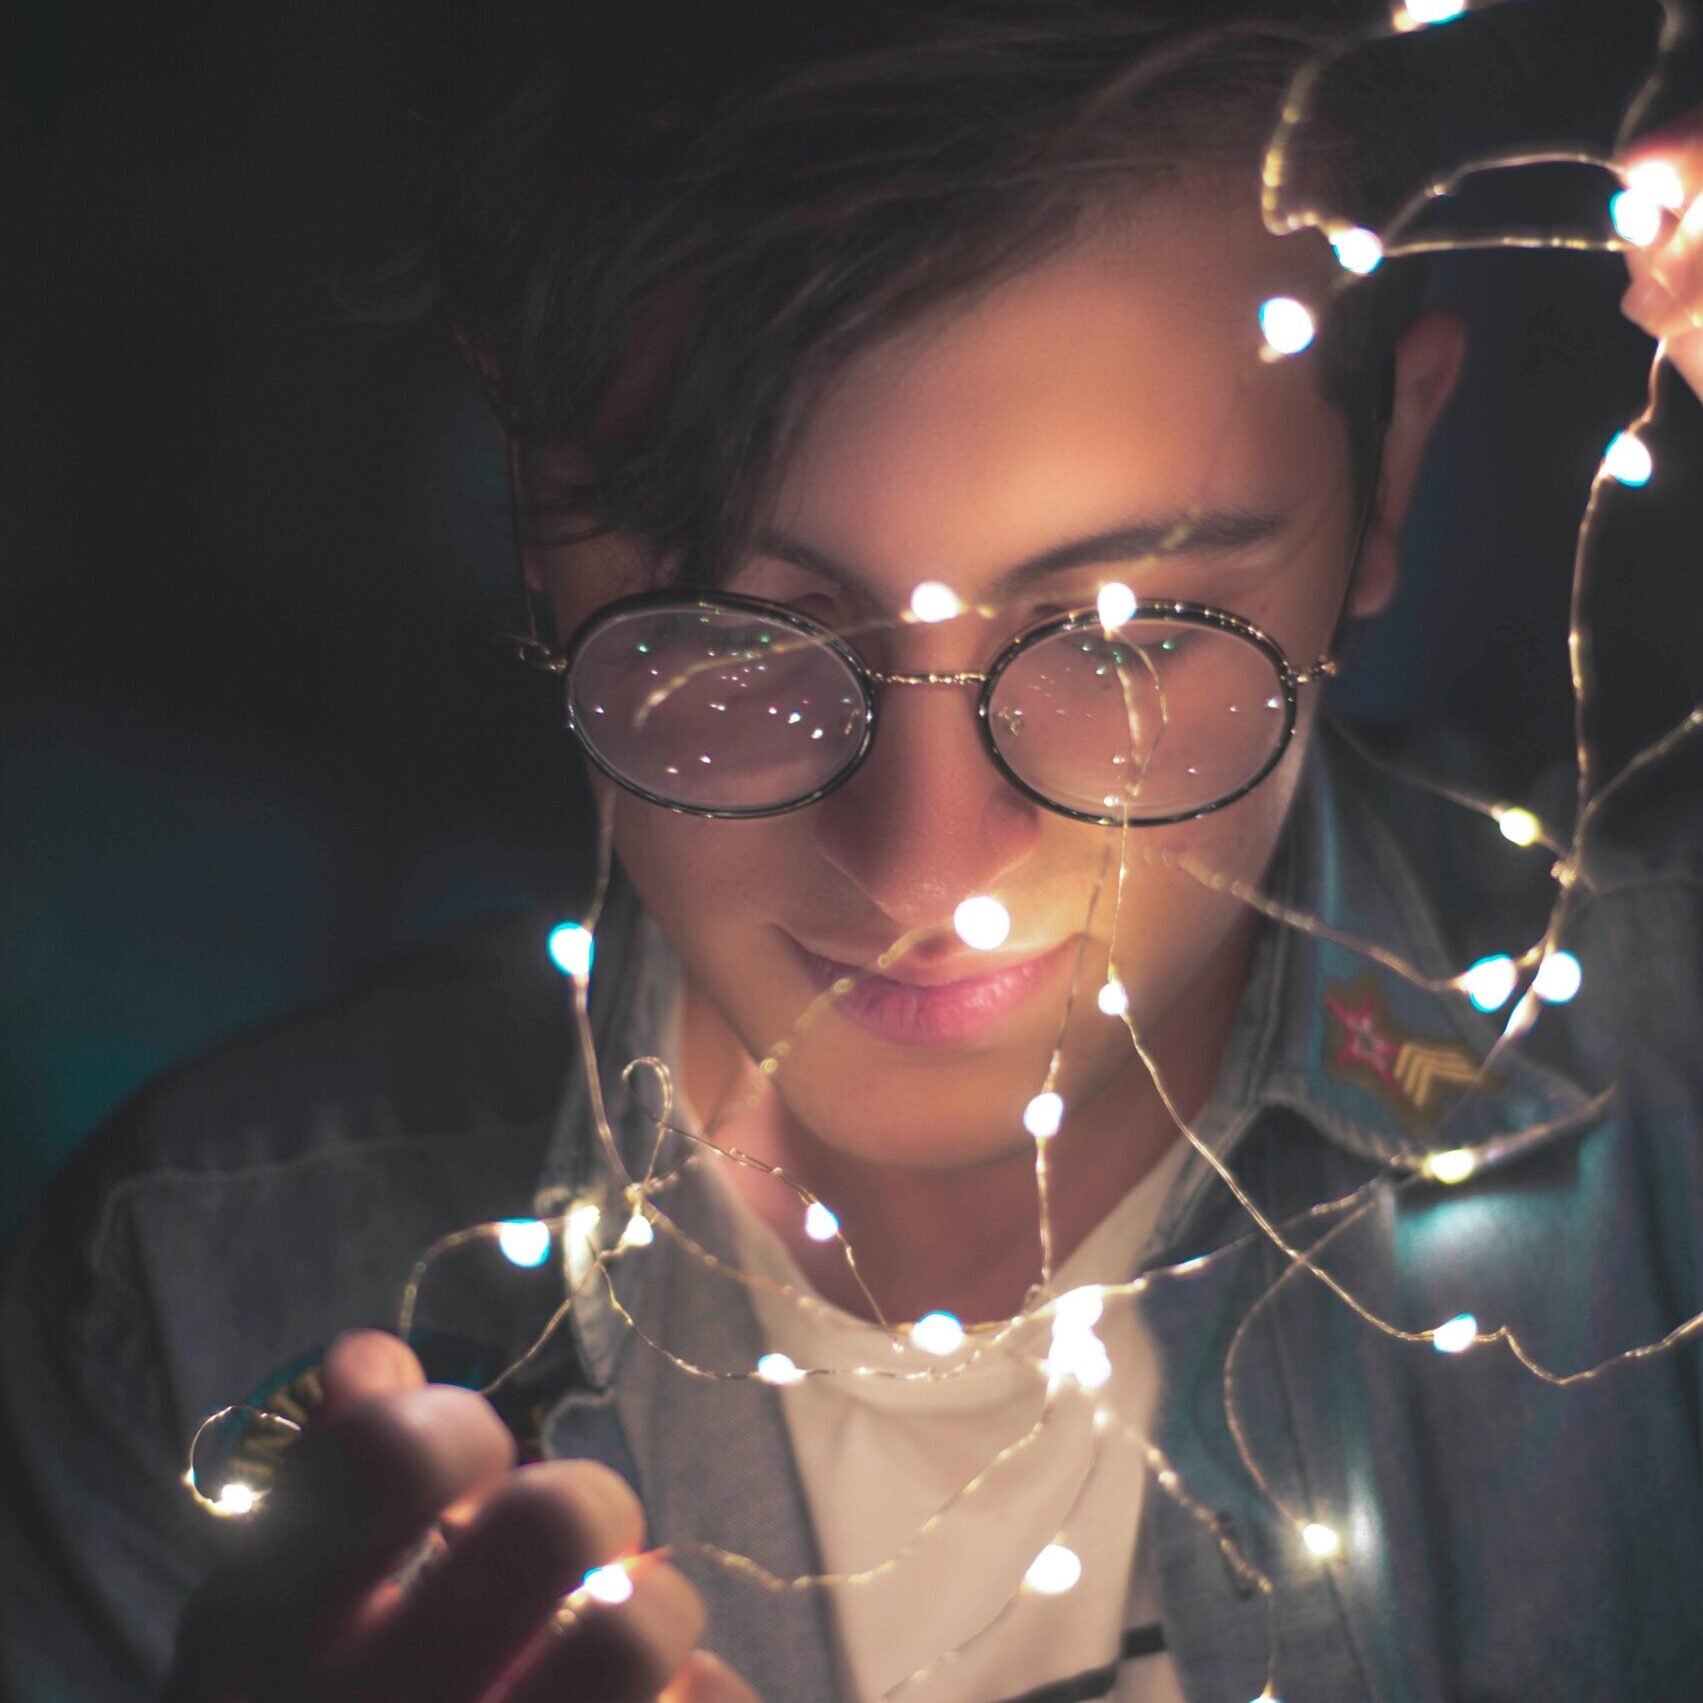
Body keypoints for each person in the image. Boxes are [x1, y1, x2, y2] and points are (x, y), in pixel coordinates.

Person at [4, 3, 1701, 1699]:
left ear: (1388, 467)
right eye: (745, 633)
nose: (922, 870)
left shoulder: (1670, 1079)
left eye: (1119, 638)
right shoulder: (194, 1296)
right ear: (534, 499)